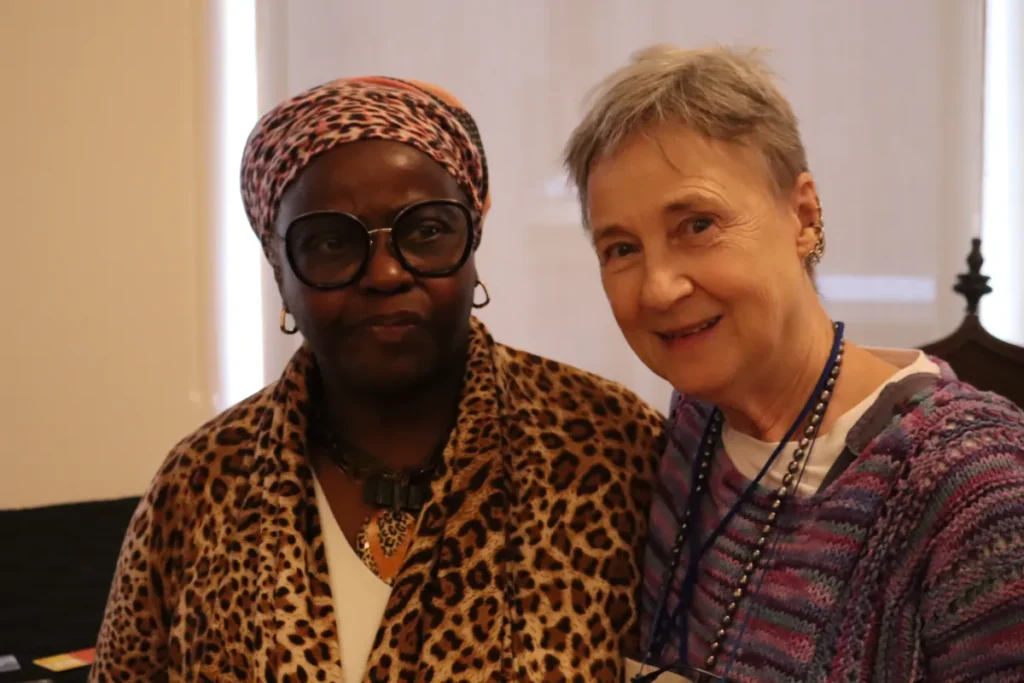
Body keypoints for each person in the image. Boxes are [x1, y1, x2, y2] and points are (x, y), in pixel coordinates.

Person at [90, 77, 664, 682]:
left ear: (473, 246)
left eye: (425, 230)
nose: (386, 273)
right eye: (331, 243)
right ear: (280, 275)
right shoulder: (200, 487)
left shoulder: (610, 448)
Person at [562, 45, 1024, 682]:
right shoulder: (696, 426)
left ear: (803, 216)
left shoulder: (970, 486)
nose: (658, 288)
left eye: (697, 225)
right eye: (620, 247)